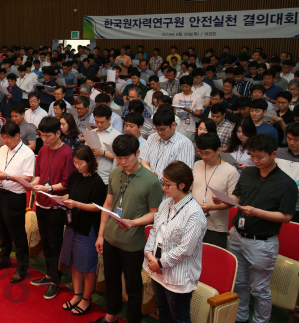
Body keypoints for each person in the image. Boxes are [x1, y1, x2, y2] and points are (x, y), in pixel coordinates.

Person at [214, 134, 297, 323]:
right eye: (252, 156)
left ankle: (261, 321)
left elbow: (286, 216)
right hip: (237, 236)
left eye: (260, 157)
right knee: (240, 283)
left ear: (274, 154)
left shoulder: (286, 184)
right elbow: (237, 197)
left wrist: (257, 212)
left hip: (262, 242)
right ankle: (241, 317)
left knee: (260, 289)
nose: (255, 160)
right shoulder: (249, 173)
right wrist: (223, 200)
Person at [93, 135, 161, 323]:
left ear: (137, 153)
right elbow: (108, 204)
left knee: (133, 286)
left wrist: (134, 222)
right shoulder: (115, 174)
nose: (123, 162)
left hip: (133, 243)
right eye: (119, 158)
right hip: (110, 238)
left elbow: (155, 214)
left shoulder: (151, 181)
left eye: (127, 158)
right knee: (111, 280)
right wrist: (100, 235)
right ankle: (110, 316)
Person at [144, 161, 207, 323]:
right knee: (163, 312)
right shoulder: (166, 203)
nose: (163, 187)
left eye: (168, 184)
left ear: (182, 185)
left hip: (178, 277)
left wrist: (161, 263)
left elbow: (186, 248)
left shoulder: (194, 213)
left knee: (179, 317)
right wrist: (149, 254)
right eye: (162, 182)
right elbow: (154, 231)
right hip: (157, 270)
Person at [30, 116, 76, 299]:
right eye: (41, 135)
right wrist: (34, 185)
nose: (44, 139)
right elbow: (39, 174)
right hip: (41, 201)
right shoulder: (42, 150)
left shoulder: (67, 153)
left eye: (48, 136)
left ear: (58, 133)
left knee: (55, 244)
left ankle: (55, 280)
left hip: (56, 205)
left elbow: (66, 184)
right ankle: (49, 274)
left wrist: (47, 188)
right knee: (46, 242)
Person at [59, 146, 107, 315]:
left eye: (80, 163)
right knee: (74, 262)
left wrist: (77, 204)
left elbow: (97, 208)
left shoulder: (98, 183)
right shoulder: (74, 176)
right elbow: (71, 195)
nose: (77, 166)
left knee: (87, 266)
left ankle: (87, 299)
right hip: (73, 224)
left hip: (88, 228)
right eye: (75, 163)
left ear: (90, 162)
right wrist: (60, 199)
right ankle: (77, 294)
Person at [0, 121, 36, 283]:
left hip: (16, 196)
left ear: (17, 136)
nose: (5, 141)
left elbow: (27, 178)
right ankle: (3, 258)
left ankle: (22, 267)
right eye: (3, 138)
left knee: (17, 232)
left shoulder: (27, 153)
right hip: (1, 192)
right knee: (2, 228)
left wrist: (7, 176)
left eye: (8, 138)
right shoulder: (2, 149)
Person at [192, 133, 240, 248]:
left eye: (207, 153)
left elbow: (235, 200)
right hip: (194, 223)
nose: (204, 157)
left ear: (218, 150)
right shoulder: (197, 164)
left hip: (216, 227)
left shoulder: (230, 171)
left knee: (213, 260)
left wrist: (213, 206)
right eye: (200, 153)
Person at [141, 109, 195, 180]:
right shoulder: (152, 138)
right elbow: (144, 162)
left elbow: (184, 173)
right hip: (151, 183)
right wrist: (152, 177)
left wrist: (164, 183)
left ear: (173, 125)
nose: (159, 132)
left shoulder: (184, 143)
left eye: (163, 129)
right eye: (157, 129)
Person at [276, 122, 299, 225]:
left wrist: (291, 191)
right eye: (289, 139)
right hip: (276, 202)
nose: (292, 142)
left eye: (296, 140)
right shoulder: (279, 153)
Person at [90, 105, 121, 185]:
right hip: (91, 175)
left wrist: (103, 153)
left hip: (106, 179)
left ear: (109, 119)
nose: (99, 125)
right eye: (97, 121)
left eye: (102, 122)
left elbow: (120, 159)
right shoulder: (92, 132)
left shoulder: (117, 136)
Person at [173, 75, 203, 140]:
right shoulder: (177, 96)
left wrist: (190, 111)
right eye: (182, 87)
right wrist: (175, 112)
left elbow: (199, 113)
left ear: (191, 85)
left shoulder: (197, 97)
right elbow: (173, 110)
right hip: (177, 126)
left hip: (190, 127)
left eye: (186, 87)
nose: (184, 88)